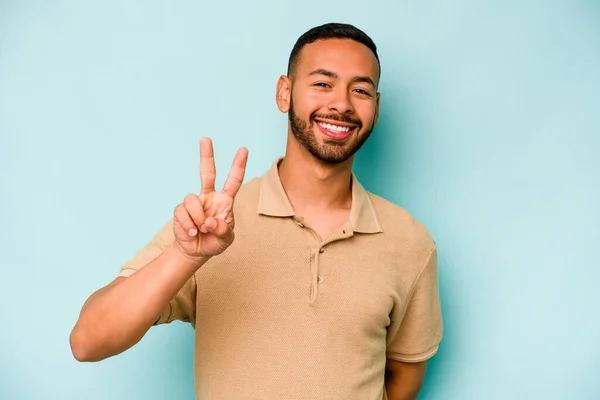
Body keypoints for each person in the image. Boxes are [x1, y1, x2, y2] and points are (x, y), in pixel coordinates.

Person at [70, 22, 442, 400]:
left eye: (360, 90)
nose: (342, 103)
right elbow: (87, 342)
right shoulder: (213, 224)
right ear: (285, 92)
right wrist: (185, 255)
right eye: (322, 83)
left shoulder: (409, 241)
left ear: (376, 109)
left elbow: (404, 372)